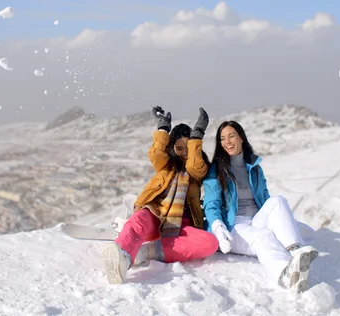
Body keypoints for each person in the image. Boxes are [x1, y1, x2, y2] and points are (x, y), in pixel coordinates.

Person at [101, 106, 219, 284]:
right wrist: (163, 129)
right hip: (155, 215)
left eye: (188, 148)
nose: (184, 153)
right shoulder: (165, 165)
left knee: (210, 243)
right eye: (179, 149)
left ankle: (145, 252)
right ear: (172, 149)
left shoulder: (196, 171)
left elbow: (195, 165)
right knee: (140, 217)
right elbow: (156, 153)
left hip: (181, 225)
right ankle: (123, 256)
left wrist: (197, 136)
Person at [202, 120, 319, 293]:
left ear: (241, 138)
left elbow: (266, 201)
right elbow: (211, 205)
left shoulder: (254, 168)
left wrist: (283, 224)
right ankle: (284, 274)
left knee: (278, 201)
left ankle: (296, 251)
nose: (227, 142)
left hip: (256, 219)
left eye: (231, 136)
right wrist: (218, 228)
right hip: (233, 226)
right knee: (263, 237)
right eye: (223, 138)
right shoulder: (216, 170)